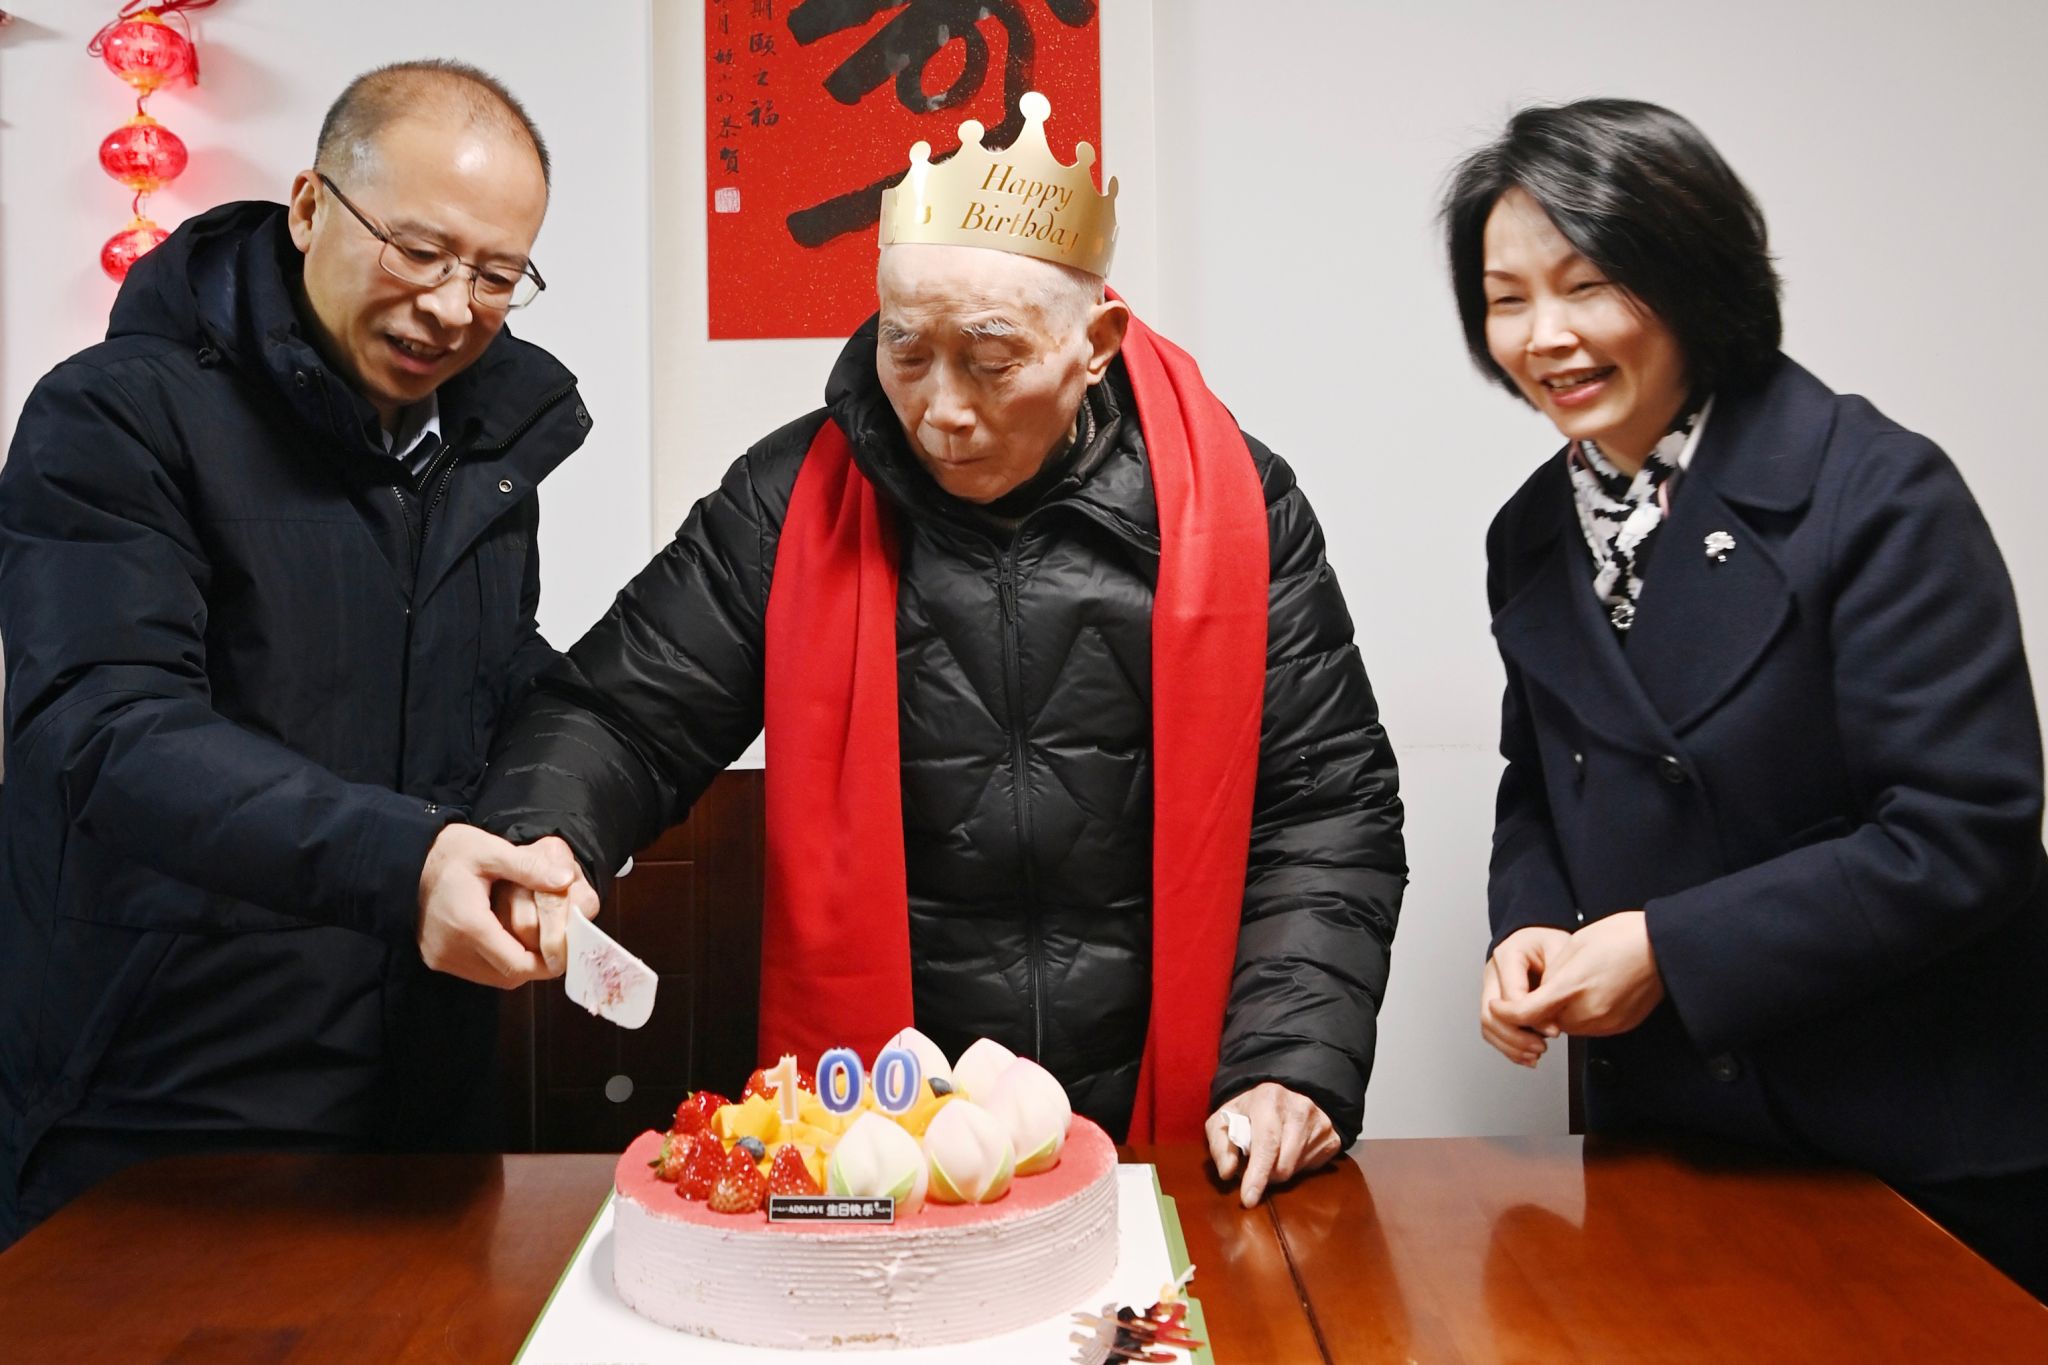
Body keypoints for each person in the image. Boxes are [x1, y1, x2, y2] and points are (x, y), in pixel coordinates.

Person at [478, 94, 1406, 1207]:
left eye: (991, 358)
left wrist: (1291, 1059)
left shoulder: (1234, 510)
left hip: (1173, 1117)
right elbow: (621, 713)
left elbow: (1327, 802)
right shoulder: (788, 504)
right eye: (905, 350)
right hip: (887, 1128)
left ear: (1096, 346)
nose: (941, 411)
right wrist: (546, 831)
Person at [1446, 98, 2048, 1298]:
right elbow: (1541, 780)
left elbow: (1964, 832)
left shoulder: (1874, 491)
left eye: (1587, 285)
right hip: (1667, 1134)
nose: (1543, 336)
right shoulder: (1531, 530)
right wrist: (1530, 921)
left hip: (1903, 1144)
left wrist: (1668, 949)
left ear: (1693, 275)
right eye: (1506, 300)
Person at [0, 60, 596, 1247]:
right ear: (312, 206)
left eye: (494, 275)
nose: (451, 307)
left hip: (425, 1101)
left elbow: (490, 670)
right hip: (161, 1103)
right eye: (419, 252)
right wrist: (405, 860)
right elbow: (103, 727)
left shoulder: (485, 447)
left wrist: (566, 811)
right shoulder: (113, 414)